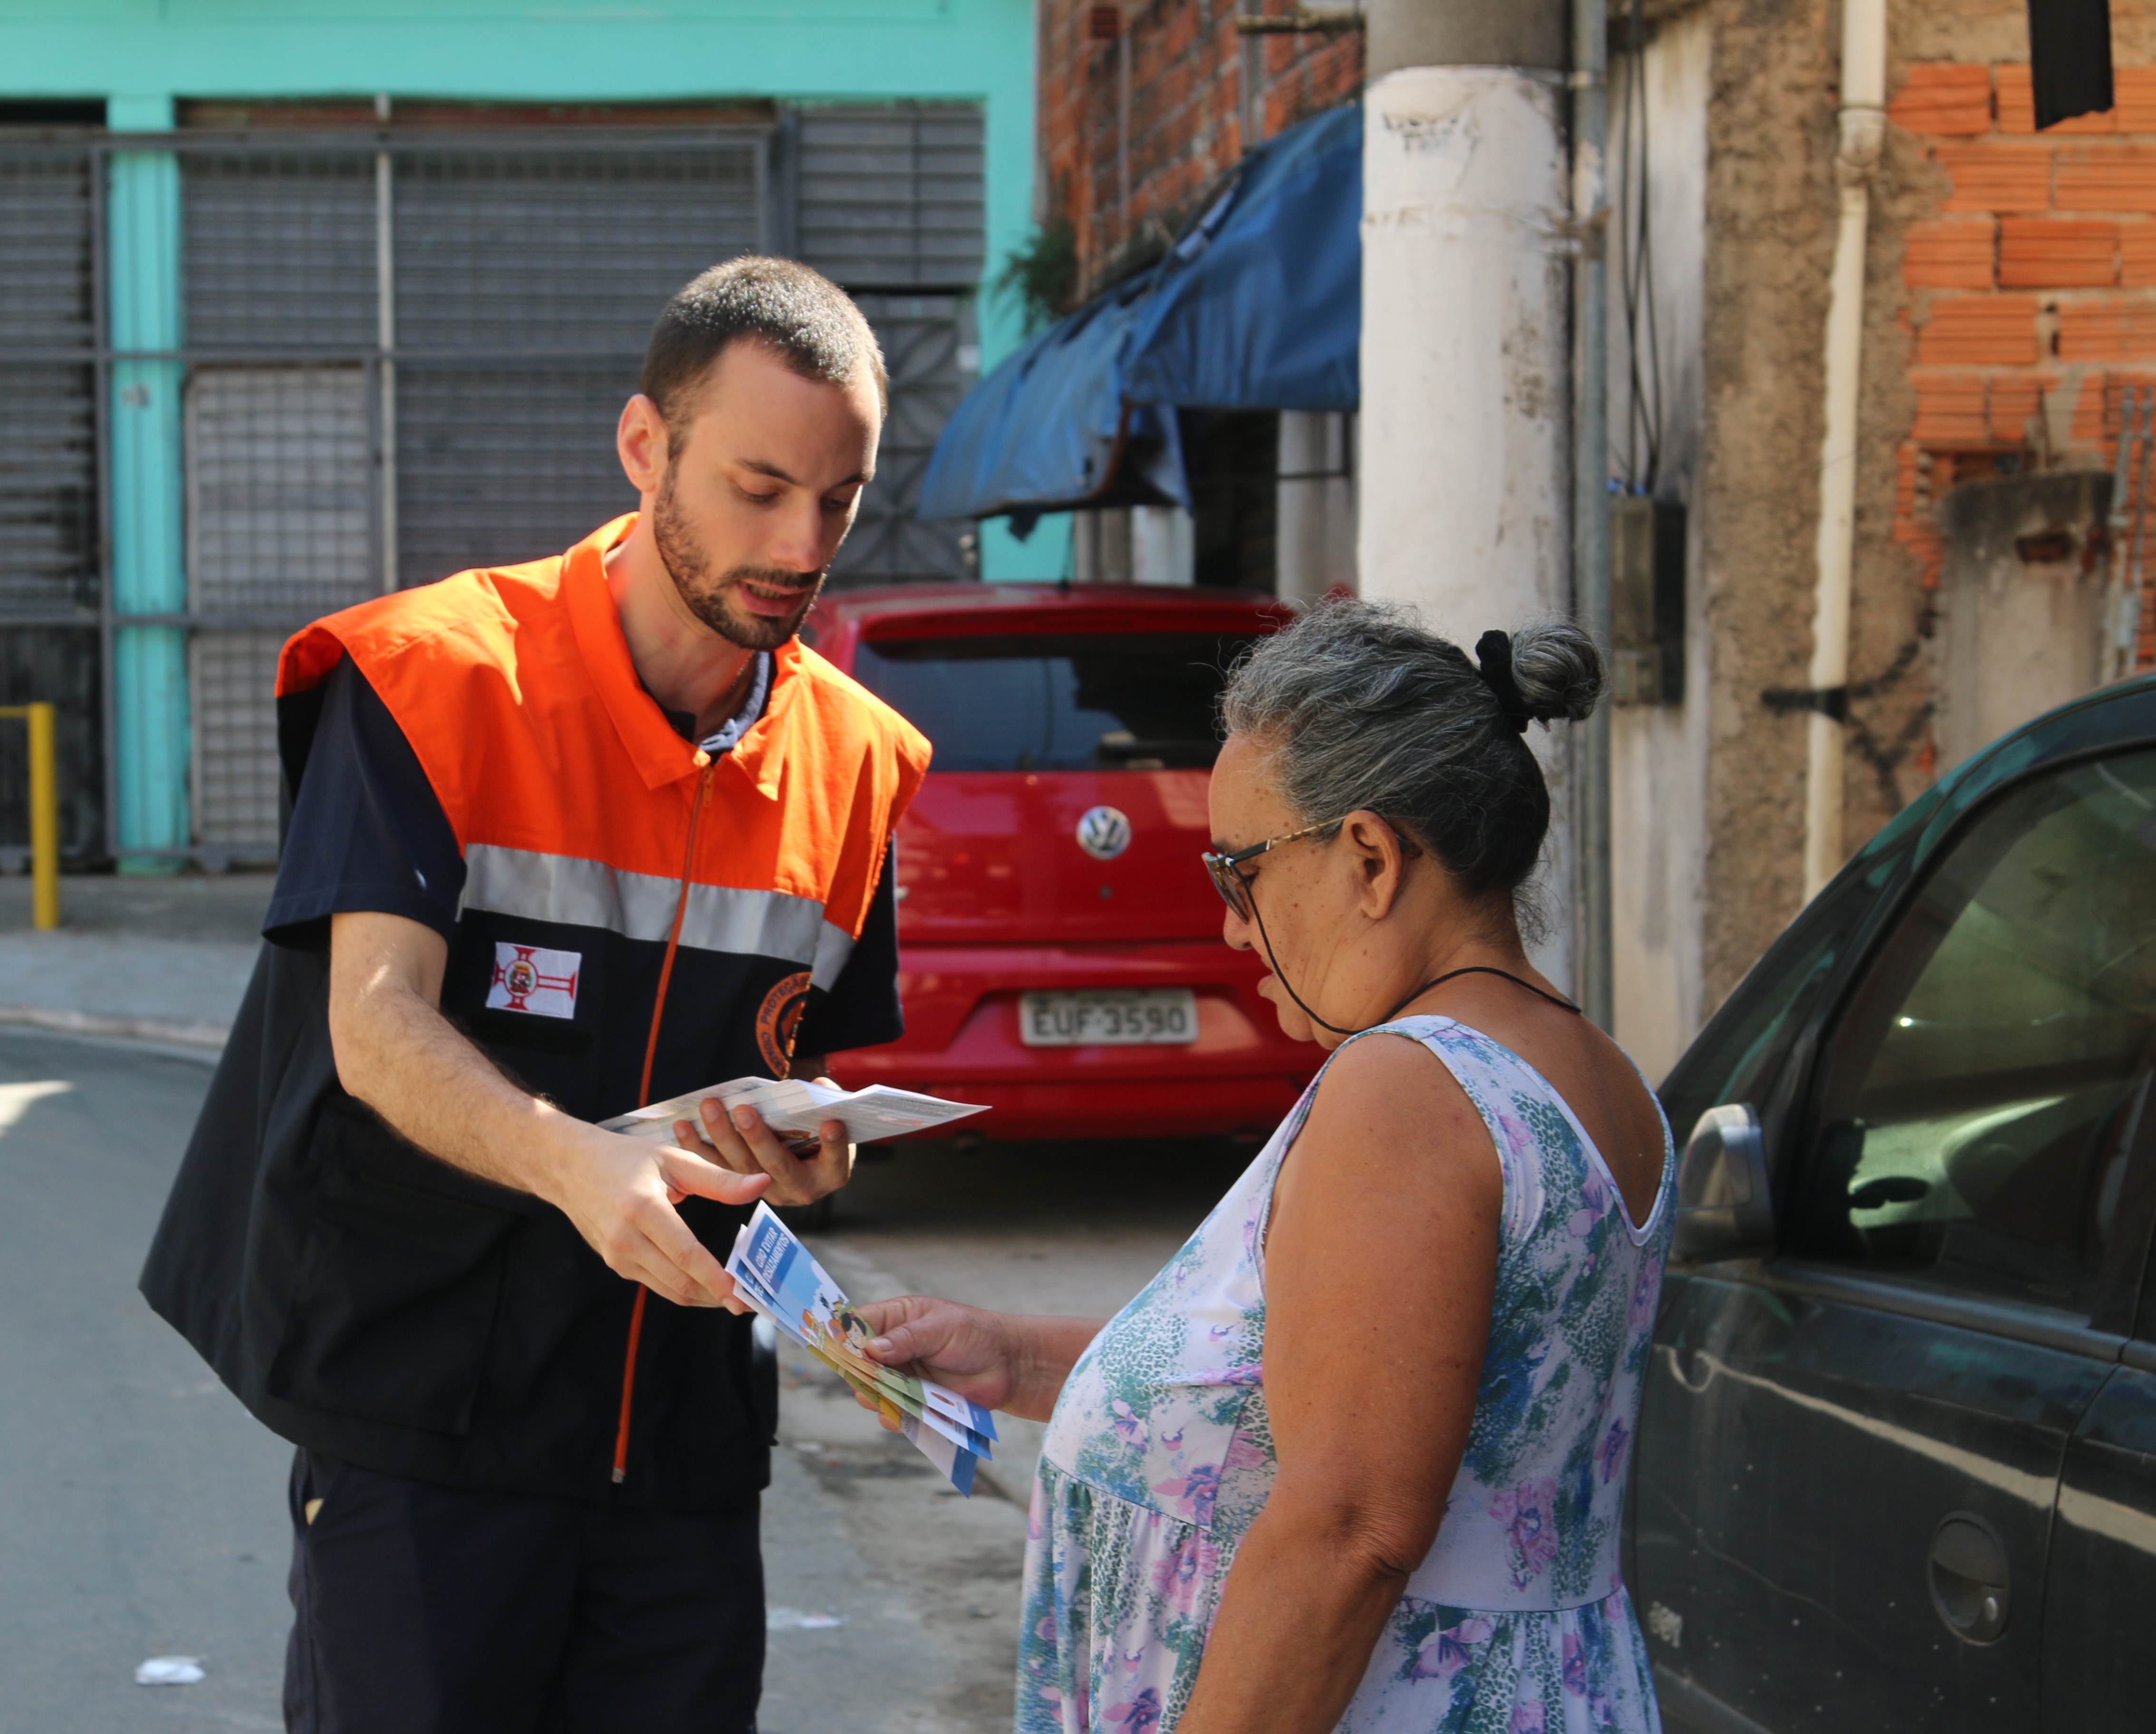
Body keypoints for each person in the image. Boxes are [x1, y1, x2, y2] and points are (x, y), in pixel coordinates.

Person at [139, 256, 931, 1734]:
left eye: (839, 498)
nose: (800, 542)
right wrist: (582, 1163)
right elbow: (373, 1025)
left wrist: (813, 1152)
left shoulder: (860, 760)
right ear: (647, 449)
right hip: (432, 1420)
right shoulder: (434, 679)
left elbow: (800, 1073)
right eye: (759, 487)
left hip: (682, 1441)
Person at [855, 603, 1677, 1734]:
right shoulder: (1594, 1069)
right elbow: (1350, 1374)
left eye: (1238, 871)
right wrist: (1028, 1360)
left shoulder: (1408, 1087)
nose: (1234, 926)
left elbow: (1349, 1531)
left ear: (1373, 858)